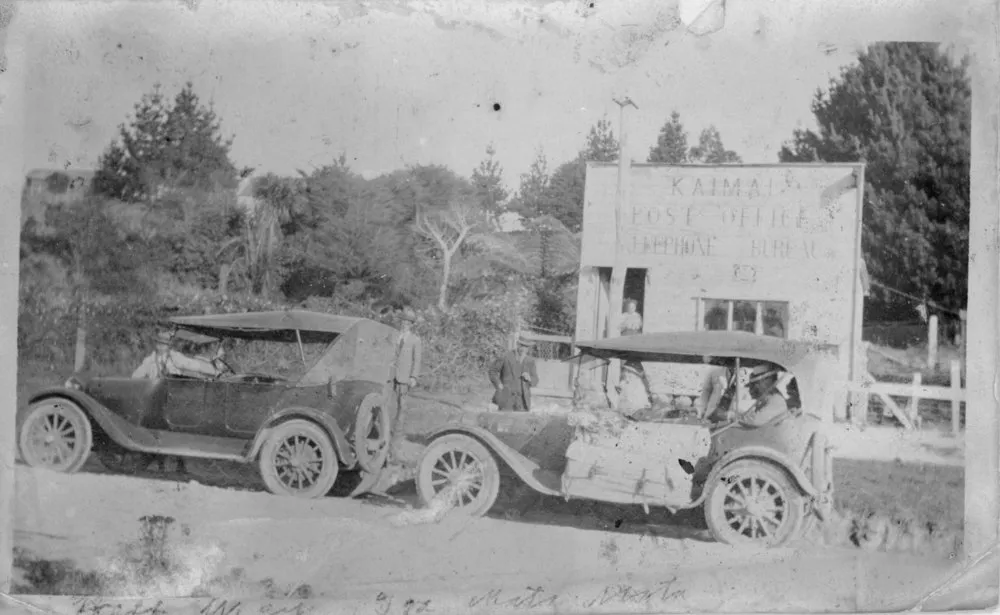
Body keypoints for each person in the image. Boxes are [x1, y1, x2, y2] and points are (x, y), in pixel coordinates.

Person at [389, 307, 422, 462]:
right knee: (389, 404)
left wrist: (413, 377)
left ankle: (397, 435)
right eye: (403, 322)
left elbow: (417, 360)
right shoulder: (394, 336)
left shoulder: (415, 340)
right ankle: (386, 428)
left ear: (412, 325)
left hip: (404, 378)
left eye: (408, 323)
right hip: (391, 376)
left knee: (402, 406)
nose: (405, 324)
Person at [132, 331, 224, 380]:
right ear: (156, 344)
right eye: (159, 343)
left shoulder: (174, 357)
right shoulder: (149, 360)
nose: (161, 346)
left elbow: (194, 365)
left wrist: (214, 372)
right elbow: (136, 376)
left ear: (168, 346)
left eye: (164, 344)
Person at [489, 339, 539, 412]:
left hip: (522, 400)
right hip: (506, 397)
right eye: (522, 346)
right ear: (517, 345)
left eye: (526, 347)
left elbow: (535, 380)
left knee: (521, 419)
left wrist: (529, 378)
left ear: (528, 348)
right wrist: (498, 384)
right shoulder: (506, 356)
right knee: (504, 418)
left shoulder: (530, 361)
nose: (523, 349)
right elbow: (492, 371)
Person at [735, 363, 791, 427]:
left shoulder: (776, 400)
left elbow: (755, 421)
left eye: (755, 384)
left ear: (766, 381)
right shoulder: (766, 400)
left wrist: (733, 415)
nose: (751, 389)